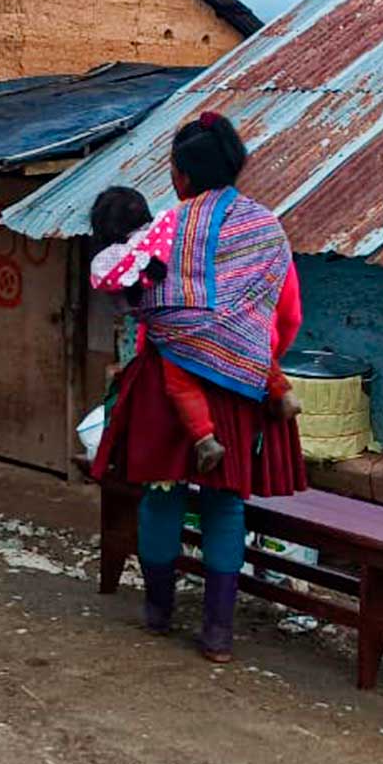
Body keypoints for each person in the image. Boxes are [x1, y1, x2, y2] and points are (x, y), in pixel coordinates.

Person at [88, 113, 307, 663]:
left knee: (162, 497)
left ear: (181, 175)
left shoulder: (164, 228)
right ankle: (217, 635)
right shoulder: (267, 230)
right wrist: (245, 356)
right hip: (239, 387)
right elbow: (286, 317)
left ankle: (159, 613)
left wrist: (188, 338)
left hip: (168, 385)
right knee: (225, 505)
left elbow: (138, 297)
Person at [88, 185, 300, 477]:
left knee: (164, 482)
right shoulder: (173, 234)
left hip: (170, 356)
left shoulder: (117, 260)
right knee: (251, 345)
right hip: (241, 377)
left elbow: (125, 306)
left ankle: (205, 439)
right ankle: (282, 392)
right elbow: (290, 318)